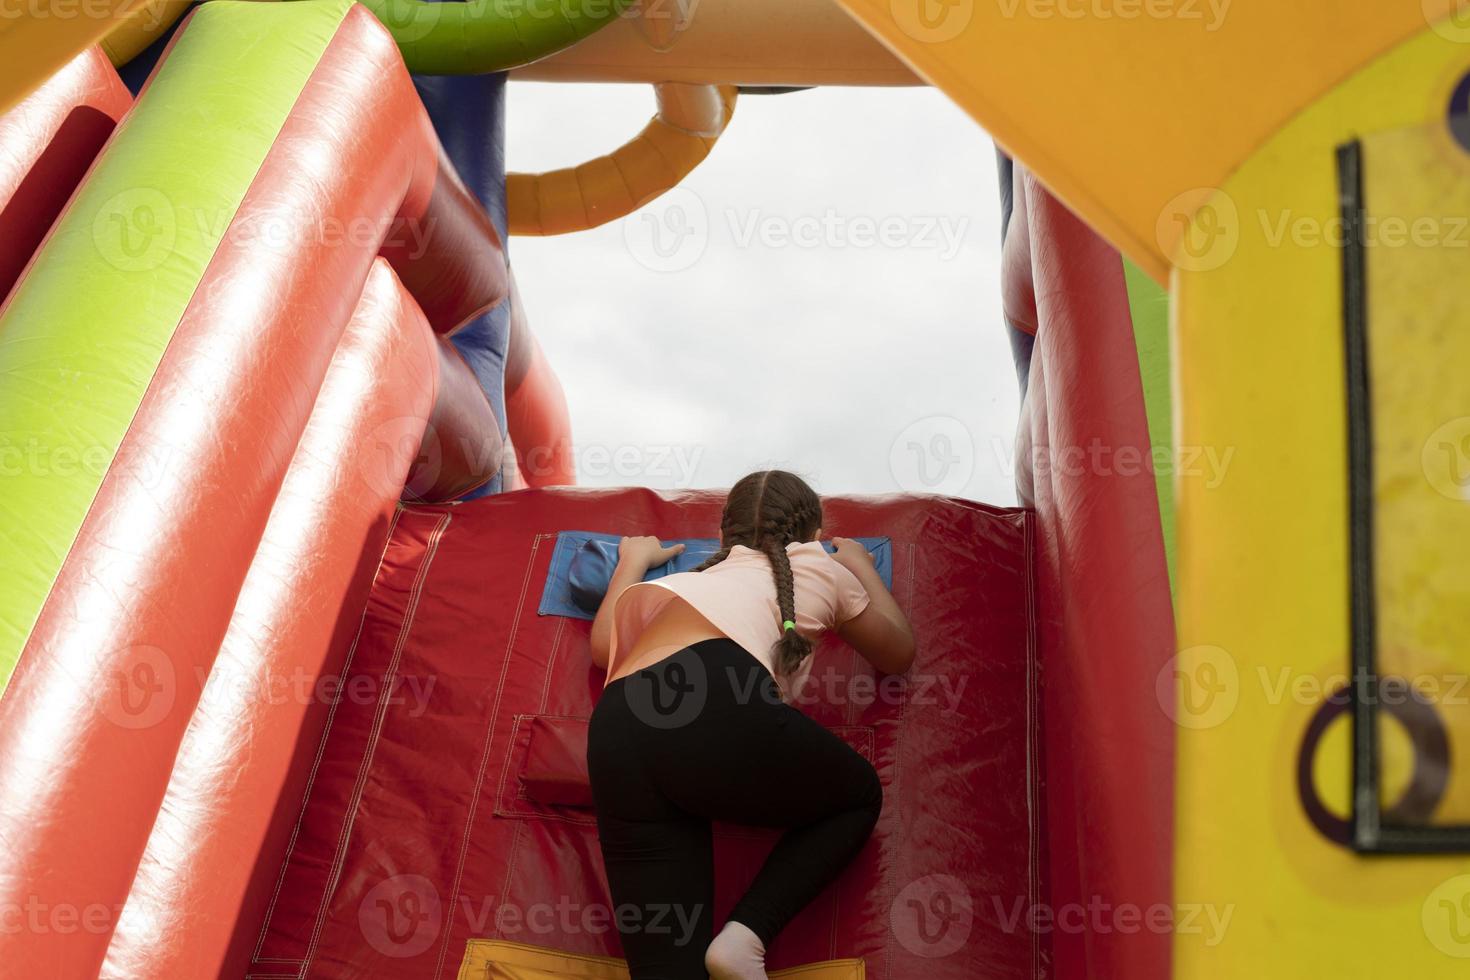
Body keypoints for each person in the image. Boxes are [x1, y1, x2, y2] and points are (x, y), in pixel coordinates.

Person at [585, 470, 916, 979]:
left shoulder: (690, 583)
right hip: (717, 701)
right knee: (857, 795)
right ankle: (746, 936)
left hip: (617, 727)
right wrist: (860, 567)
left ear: (723, 536)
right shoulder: (821, 568)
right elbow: (898, 653)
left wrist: (630, 563)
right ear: (815, 534)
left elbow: (604, 647)